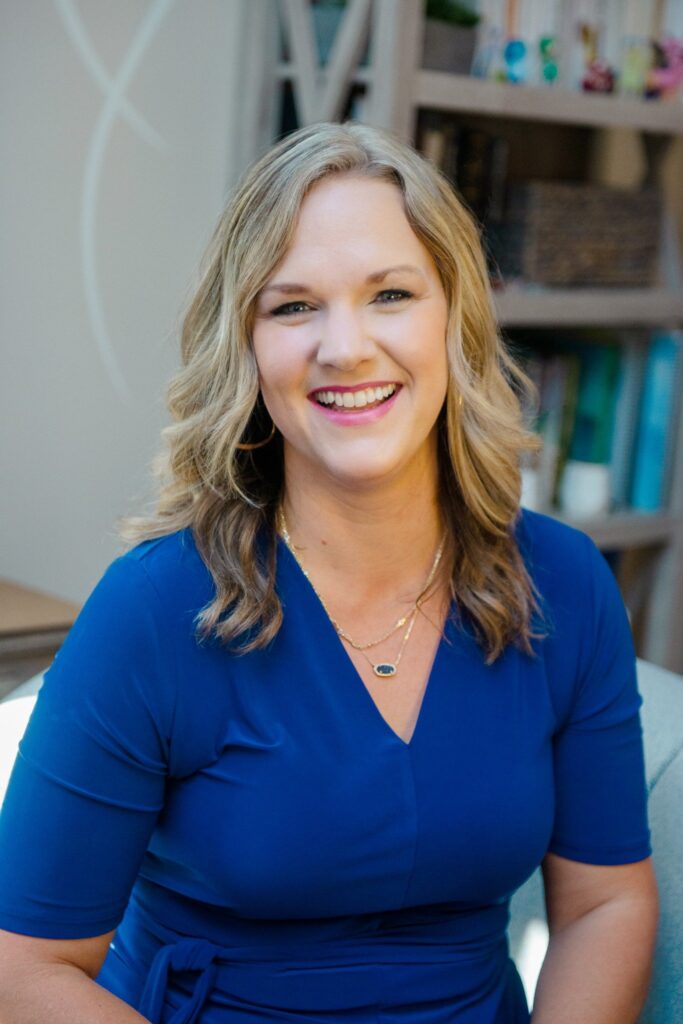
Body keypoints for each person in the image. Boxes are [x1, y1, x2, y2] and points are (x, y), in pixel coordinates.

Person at [0, 121, 658, 1023]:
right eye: (293, 306)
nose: (345, 347)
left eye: (389, 293)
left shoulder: (565, 585)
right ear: (248, 350)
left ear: (453, 315)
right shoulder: (152, 611)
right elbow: (25, 967)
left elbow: (603, 905)